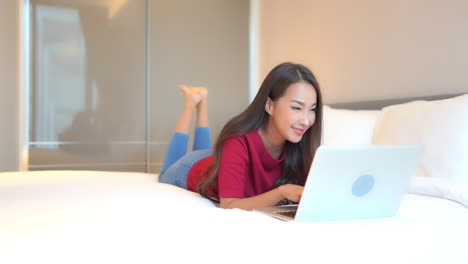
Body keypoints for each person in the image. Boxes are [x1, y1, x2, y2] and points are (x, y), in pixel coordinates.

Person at [159, 62, 323, 211]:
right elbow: (229, 204)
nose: (307, 121)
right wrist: (281, 193)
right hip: (193, 166)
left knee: (208, 150)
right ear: (269, 105)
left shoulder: (300, 145)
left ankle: (201, 103)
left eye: (312, 109)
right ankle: (191, 103)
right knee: (165, 171)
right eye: (296, 108)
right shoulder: (238, 140)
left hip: (220, 159)